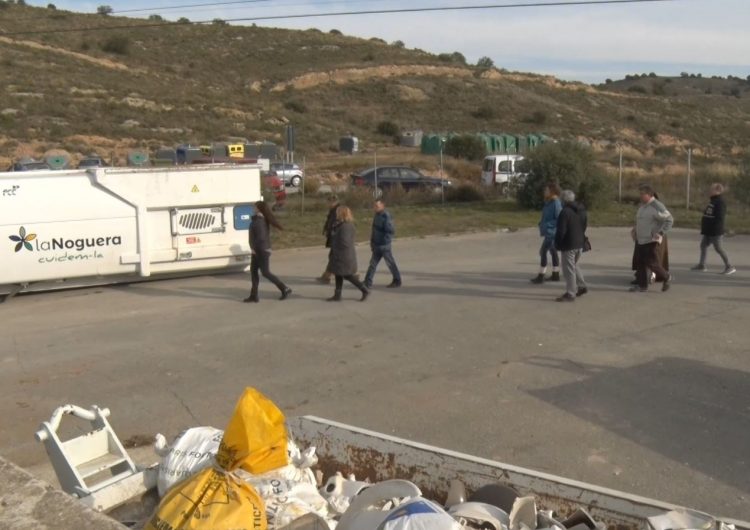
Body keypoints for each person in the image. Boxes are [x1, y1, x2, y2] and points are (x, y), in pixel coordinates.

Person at [243, 201, 292, 303]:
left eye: (255, 207)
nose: (253, 208)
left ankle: (285, 288)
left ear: (259, 209)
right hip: (258, 250)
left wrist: (254, 248)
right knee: (253, 271)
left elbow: (261, 238)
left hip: (261, 250)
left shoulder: (259, 221)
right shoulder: (258, 219)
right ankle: (254, 295)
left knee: (265, 272)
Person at [631, 185, 674, 292]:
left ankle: (667, 277)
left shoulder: (656, 206)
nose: (640, 196)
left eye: (642, 194)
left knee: (652, 263)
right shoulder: (643, 206)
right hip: (641, 240)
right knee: (640, 263)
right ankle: (642, 286)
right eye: (640, 194)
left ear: (649, 195)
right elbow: (642, 221)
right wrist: (635, 230)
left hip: (650, 240)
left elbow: (669, 220)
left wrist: (661, 232)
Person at [327, 206, 369, 302]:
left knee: (347, 275)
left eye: (338, 212)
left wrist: (335, 243)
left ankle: (364, 289)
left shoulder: (346, 226)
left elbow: (345, 242)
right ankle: (337, 295)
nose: (336, 214)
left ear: (342, 213)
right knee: (338, 274)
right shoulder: (340, 224)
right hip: (339, 255)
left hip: (344, 256)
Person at [692, 183, 736, 275]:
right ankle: (702, 265)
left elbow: (720, 218)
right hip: (708, 230)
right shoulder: (713, 201)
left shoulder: (720, 202)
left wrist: (716, 229)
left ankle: (729, 266)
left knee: (718, 248)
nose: (709, 191)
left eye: (711, 189)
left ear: (717, 191)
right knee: (703, 245)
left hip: (715, 231)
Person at [554, 190, 588, 302]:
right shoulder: (581, 210)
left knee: (568, 269)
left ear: (564, 200)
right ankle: (582, 286)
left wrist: (557, 244)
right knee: (574, 265)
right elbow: (584, 225)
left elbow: (561, 231)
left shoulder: (565, 212)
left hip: (569, 244)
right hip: (580, 243)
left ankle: (570, 293)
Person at [364, 199, 402, 289]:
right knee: (372, 264)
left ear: (382, 206)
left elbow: (390, 231)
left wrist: (384, 242)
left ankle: (397, 280)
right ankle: (367, 281)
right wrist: (372, 242)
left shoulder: (386, 216)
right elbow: (374, 230)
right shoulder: (377, 215)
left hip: (384, 246)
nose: (375, 208)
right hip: (376, 245)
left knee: (390, 263)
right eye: (374, 206)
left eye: (377, 206)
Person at [531, 182, 562, 284]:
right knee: (553, 252)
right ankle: (555, 274)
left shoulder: (556, 203)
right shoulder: (548, 202)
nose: (545, 192)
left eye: (546, 190)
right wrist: (542, 223)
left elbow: (559, 218)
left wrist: (547, 225)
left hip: (552, 233)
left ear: (552, 191)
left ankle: (541, 275)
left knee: (543, 252)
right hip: (548, 231)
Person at [316, 194, 340, 284]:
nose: (328, 204)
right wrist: (325, 229)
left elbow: (335, 223)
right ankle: (328, 275)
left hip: (336, 237)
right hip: (334, 236)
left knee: (334, 257)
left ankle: (327, 276)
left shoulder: (338, 210)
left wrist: (330, 231)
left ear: (333, 202)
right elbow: (329, 222)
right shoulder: (333, 210)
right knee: (335, 257)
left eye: (329, 202)